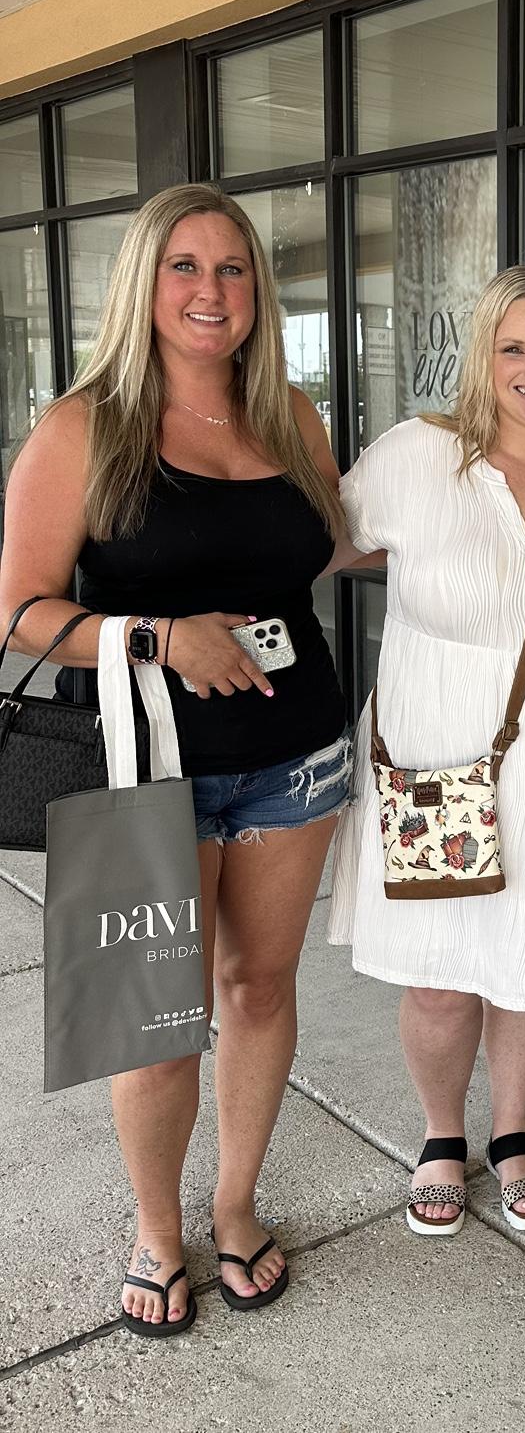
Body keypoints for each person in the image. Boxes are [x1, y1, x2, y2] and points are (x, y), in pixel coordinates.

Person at [0, 183, 351, 1335]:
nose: (212, 290)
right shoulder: (85, 427)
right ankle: (159, 1232)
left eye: (233, 268)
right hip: (144, 773)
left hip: (295, 758)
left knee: (260, 988)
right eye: (185, 268)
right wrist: (158, 635)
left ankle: (236, 1206)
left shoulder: (288, 413)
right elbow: (19, 612)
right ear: (143, 286)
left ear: (258, 291)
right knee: (155, 1025)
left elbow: (326, 546)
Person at [328, 265, 525, 1239]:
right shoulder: (417, 456)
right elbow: (325, 542)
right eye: (513, 347)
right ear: (484, 358)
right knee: (439, 975)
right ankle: (442, 1135)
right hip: (443, 762)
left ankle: (512, 1131)